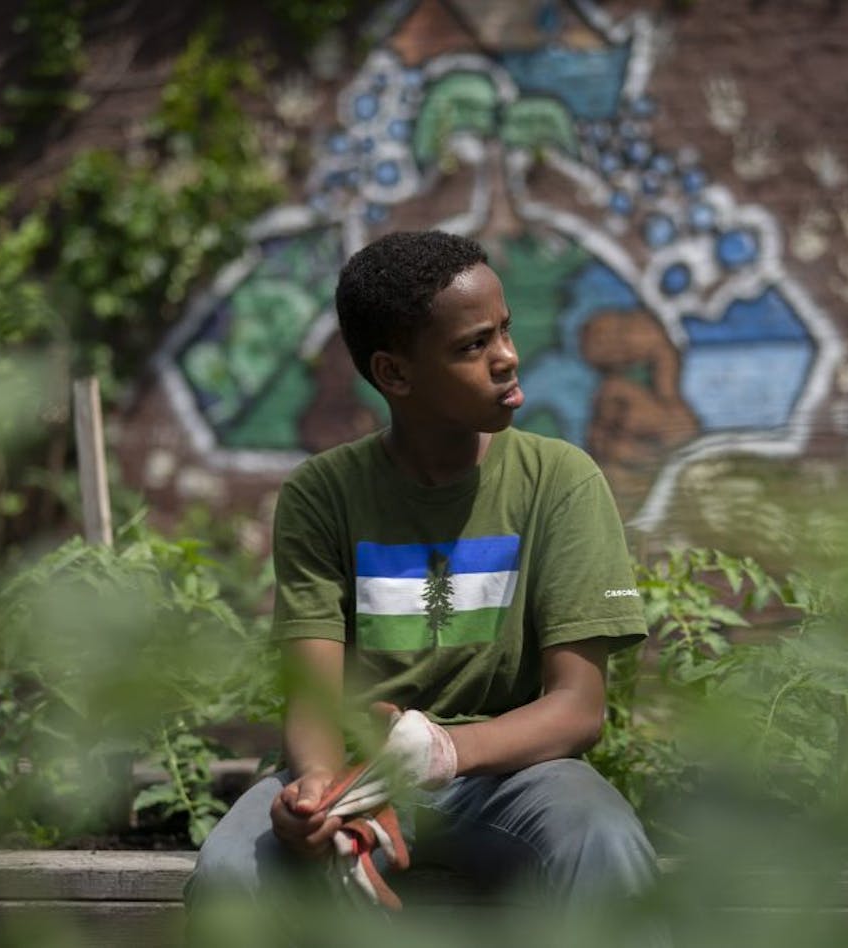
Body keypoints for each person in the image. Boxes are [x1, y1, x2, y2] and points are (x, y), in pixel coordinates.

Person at [186, 230, 664, 936]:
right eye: (472, 346)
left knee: (604, 839)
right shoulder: (324, 494)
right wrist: (317, 789)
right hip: (357, 773)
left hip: (510, 776)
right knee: (230, 871)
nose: (507, 357)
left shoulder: (559, 482)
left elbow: (577, 708)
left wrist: (444, 751)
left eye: (504, 331)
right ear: (396, 374)